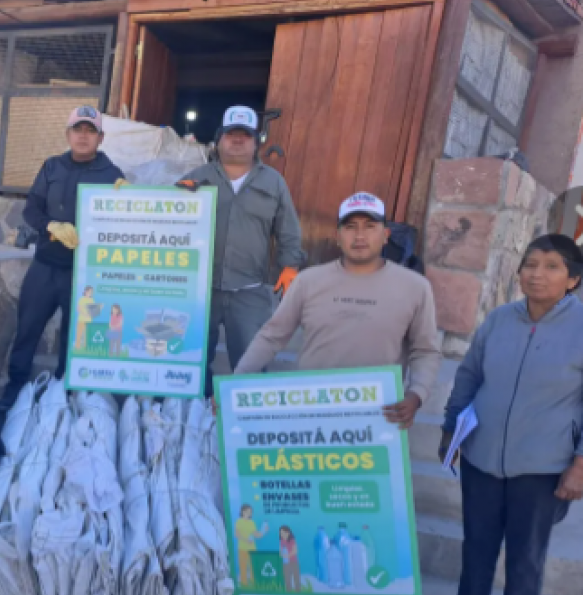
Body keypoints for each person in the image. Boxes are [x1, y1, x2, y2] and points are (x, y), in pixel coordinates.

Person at [426, 234, 583, 595]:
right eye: (529, 264)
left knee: (526, 558)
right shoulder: (499, 320)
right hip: (482, 457)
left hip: (542, 467)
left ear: (573, 279)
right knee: (476, 545)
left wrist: (580, 464)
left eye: (552, 266)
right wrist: (451, 429)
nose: (536, 274)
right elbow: (470, 375)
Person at [235, 192, 441, 430]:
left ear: (385, 236)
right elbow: (272, 337)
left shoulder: (415, 287)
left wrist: (416, 394)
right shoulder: (308, 281)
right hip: (309, 414)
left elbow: (425, 350)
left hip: (377, 418)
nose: (360, 235)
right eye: (351, 227)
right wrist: (235, 383)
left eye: (370, 226)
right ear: (337, 236)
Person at [0, 106, 124, 410]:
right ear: (68, 134)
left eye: (90, 131)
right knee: (28, 327)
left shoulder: (113, 175)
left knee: (74, 336)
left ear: (101, 137)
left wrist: (128, 202)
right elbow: (32, 209)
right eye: (77, 130)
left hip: (83, 274)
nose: (83, 136)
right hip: (45, 265)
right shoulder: (51, 167)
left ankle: (64, 394)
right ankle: (15, 389)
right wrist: (49, 225)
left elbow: (121, 224)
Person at [179, 106, 305, 394]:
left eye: (244, 136)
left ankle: (247, 427)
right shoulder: (196, 178)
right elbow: (169, 222)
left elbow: (288, 229)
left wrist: (290, 266)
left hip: (250, 291)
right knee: (192, 363)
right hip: (201, 291)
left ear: (256, 142)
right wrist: (172, 197)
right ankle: (198, 417)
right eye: (231, 134)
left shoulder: (273, 182)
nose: (237, 141)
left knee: (251, 363)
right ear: (219, 139)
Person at [235, 505, 268, 587]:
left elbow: (257, 535)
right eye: (247, 511)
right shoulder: (239, 521)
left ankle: (254, 584)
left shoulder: (252, 523)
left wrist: (264, 532)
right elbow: (237, 534)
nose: (249, 513)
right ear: (242, 512)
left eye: (250, 512)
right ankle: (244, 585)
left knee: (253, 567)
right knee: (243, 567)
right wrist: (246, 540)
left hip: (252, 549)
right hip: (242, 548)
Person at [75, 286, 98, 350]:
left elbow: (93, 311)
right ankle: (77, 347)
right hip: (81, 320)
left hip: (88, 321)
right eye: (90, 291)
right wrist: (85, 314)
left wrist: (98, 308)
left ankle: (85, 347)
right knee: (79, 333)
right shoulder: (81, 299)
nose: (91, 293)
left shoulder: (92, 300)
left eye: (92, 292)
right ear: (85, 291)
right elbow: (78, 309)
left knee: (86, 334)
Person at [279, 526, 302, 592]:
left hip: (293, 562)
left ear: (288, 532)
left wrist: (287, 555)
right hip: (285, 563)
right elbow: (280, 551)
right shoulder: (281, 541)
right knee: (287, 578)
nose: (281, 534)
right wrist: (282, 554)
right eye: (280, 533)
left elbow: (295, 551)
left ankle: (298, 592)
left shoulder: (292, 540)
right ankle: (289, 592)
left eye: (283, 533)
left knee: (296, 578)